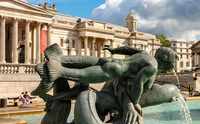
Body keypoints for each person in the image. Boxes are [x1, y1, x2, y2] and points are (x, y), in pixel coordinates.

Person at [32, 43, 179, 106]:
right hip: (113, 71)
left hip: (110, 60)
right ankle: (56, 71)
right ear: (165, 62)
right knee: (78, 74)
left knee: (80, 61)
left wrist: (114, 50)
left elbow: (128, 49)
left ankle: (57, 58)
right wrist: (132, 103)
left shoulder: (146, 55)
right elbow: (138, 84)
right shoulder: (152, 68)